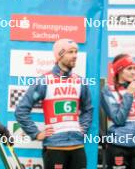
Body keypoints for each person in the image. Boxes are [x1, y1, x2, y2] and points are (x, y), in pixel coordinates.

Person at [15, 38, 93, 169]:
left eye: (76, 52)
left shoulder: (80, 81)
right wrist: (36, 133)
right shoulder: (45, 81)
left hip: (77, 146)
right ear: (59, 55)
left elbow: (88, 109)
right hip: (54, 147)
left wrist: (83, 128)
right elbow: (21, 110)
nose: (75, 56)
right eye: (70, 52)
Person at [101, 53, 135, 169]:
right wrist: (129, 94)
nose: (133, 72)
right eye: (129, 68)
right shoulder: (108, 90)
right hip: (118, 144)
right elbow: (118, 119)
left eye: (134, 68)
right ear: (119, 71)